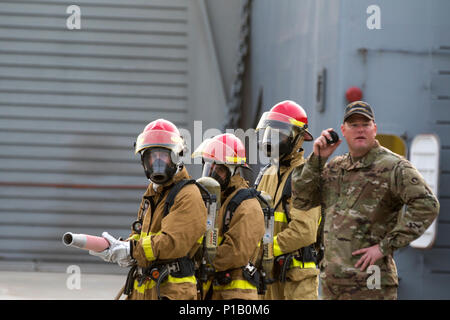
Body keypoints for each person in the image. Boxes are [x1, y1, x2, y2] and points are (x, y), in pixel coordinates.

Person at [291, 101, 440, 300]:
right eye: (353, 125)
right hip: (332, 285)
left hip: (372, 284)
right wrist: (317, 159)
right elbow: (301, 200)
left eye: (365, 124)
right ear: (343, 131)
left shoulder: (394, 167)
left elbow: (427, 204)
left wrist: (384, 247)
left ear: (374, 129)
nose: (360, 129)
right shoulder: (335, 168)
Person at [90, 118, 207, 300]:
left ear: (177, 156)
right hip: (145, 288)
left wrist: (131, 250)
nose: (157, 162)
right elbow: (143, 235)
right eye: (153, 156)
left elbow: (171, 243)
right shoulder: (153, 193)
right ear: (144, 160)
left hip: (173, 292)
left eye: (164, 156)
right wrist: (121, 246)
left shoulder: (188, 194)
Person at [254, 100, 321, 300]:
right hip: (268, 277)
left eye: (280, 133)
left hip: (297, 282)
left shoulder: (305, 175)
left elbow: (304, 231)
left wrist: (264, 249)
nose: (272, 139)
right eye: (270, 132)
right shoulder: (266, 174)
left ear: (299, 139)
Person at [192, 133, 265, 300]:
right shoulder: (216, 201)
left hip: (237, 294)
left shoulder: (248, 206)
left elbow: (236, 252)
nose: (212, 174)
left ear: (234, 171)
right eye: (209, 167)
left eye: (219, 169)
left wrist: (200, 260)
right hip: (213, 289)